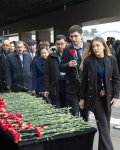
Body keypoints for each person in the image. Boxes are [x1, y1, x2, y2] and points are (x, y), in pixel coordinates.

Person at [79, 37, 120, 150]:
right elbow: (83, 81)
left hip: (108, 96)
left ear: (103, 46)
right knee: (102, 123)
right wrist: (82, 98)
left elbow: (116, 78)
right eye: (93, 46)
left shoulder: (111, 59)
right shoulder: (88, 61)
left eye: (98, 45)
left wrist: (116, 96)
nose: (95, 48)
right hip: (93, 97)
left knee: (105, 125)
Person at [60, 25, 88, 121]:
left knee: (85, 116)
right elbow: (61, 67)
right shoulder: (67, 49)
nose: (73, 39)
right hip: (72, 87)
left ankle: (85, 135)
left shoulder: (89, 48)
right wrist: (68, 65)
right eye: (71, 36)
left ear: (81, 35)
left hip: (86, 87)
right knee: (74, 114)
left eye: (76, 36)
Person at [44, 34, 67, 108]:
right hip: (55, 86)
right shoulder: (51, 57)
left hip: (67, 85)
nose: (60, 46)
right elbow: (47, 74)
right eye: (58, 44)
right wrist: (46, 89)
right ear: (55, 44)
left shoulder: (70, 55)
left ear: (65, 43)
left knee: (67, 109)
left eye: (62, 44)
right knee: (56, 108)